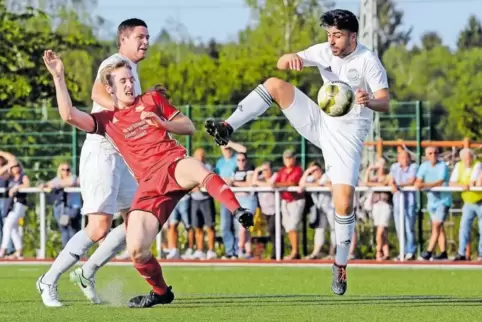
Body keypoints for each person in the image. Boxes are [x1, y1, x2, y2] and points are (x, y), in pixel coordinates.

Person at [41, 50, 254, 308]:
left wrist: (162, 123)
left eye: (131, 78)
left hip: (173, 163)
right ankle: (161, 292)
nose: (130, 84)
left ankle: (237, 210)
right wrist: (58, 77)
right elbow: (69, 115)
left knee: (198, 169)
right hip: (148, 183)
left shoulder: (152, 99)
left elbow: (188, 127)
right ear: (110, 89)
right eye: (123, 81)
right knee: (136, 249)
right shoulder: (107, 120)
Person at [204, 9, 389, 295]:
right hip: (319, 121)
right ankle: (228, 126)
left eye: (337, 35)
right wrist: (289, 58)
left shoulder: (368, 61)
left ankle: (340, 264)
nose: (332, 41)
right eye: (329, 35)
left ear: (353, 36)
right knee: (275, 85)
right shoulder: (324, 51)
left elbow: (385, 102)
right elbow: (282, 61)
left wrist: (369, 101)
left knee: (343, 203)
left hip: (347, 137)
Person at [37, 18, 150, 307]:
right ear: (123, 39)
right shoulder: (114, 62)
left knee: (137, 219)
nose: (145, 42)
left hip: (120, 156)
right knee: (98, 228)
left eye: (148, 37)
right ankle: (48, 280)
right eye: (140, 36)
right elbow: (97, 94)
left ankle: (87, 272)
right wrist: (126, 111)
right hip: (101, 152)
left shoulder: (132, 69)